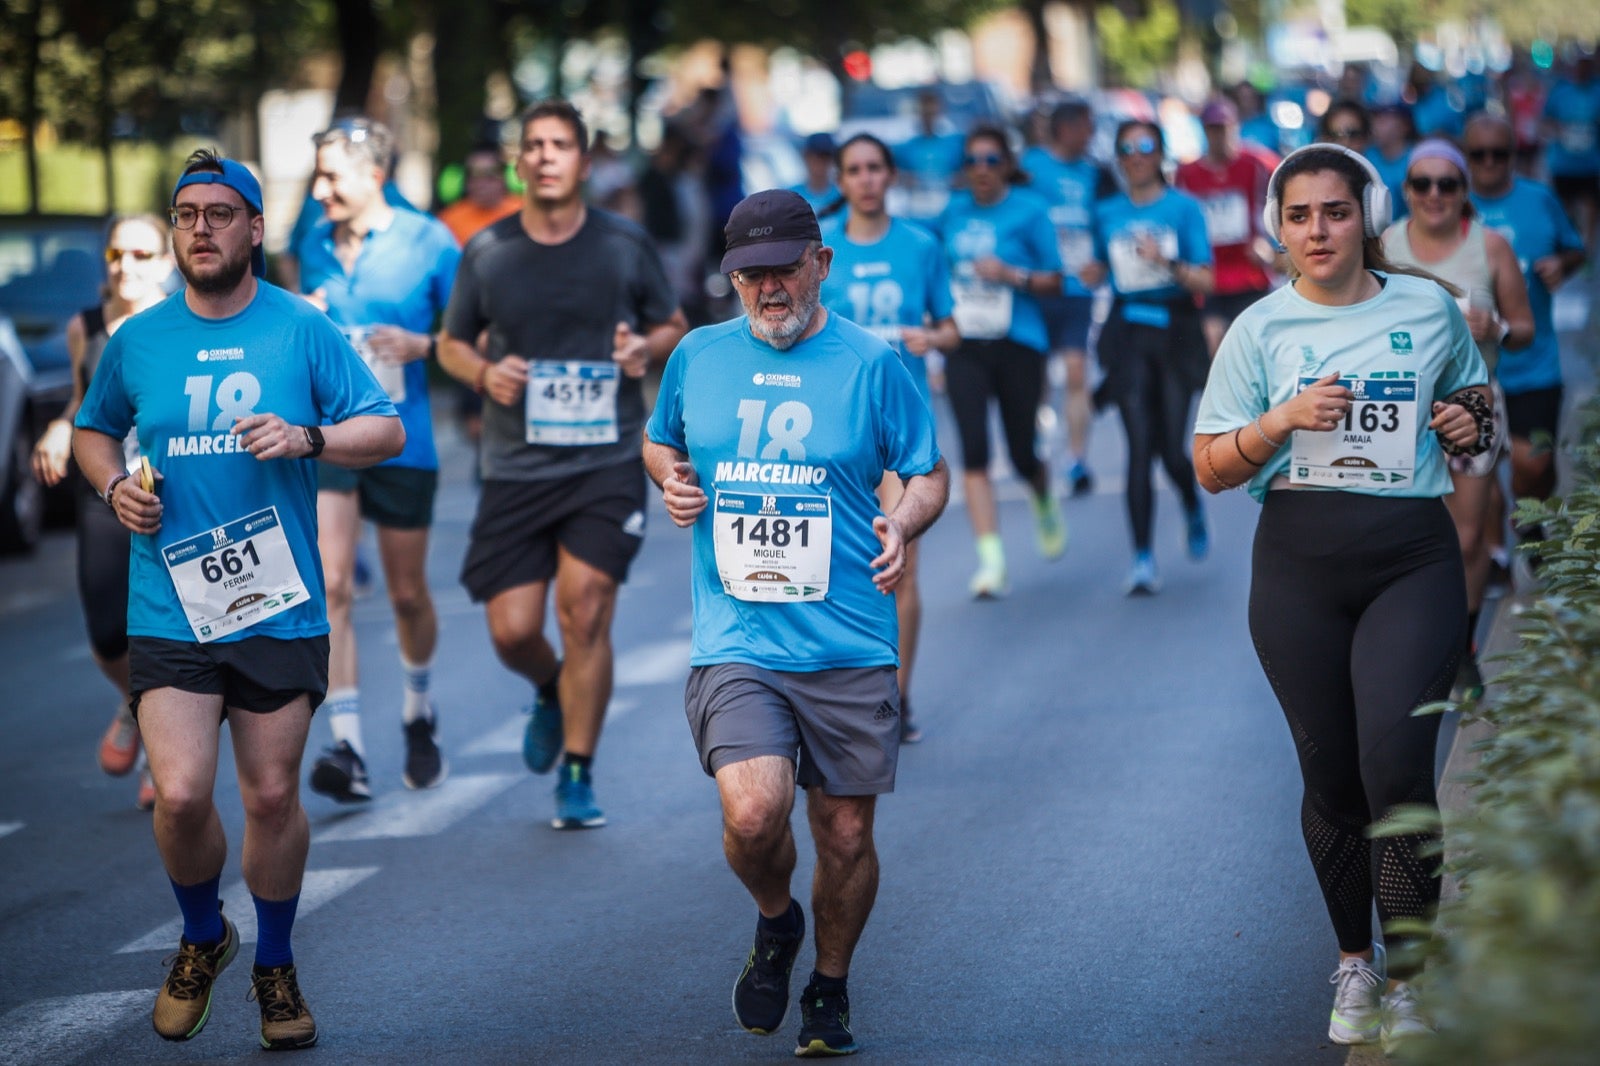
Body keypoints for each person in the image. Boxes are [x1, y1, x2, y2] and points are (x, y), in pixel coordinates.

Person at [72, 150, 403, 1049]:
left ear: (255, 228)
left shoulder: (302, 328)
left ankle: (277, 962)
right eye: (187, 214)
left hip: (275, 602)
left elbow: (386, 426)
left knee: (266, 796)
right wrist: (112, 492)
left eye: (221, 213)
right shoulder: (138, 339)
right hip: (170, 602)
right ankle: (204, 935)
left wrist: (308, 436)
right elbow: (92, 432)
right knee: (179, 796)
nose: (201, 228)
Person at [1193, 143, 1490, 1054]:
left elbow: (1477, 406)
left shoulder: (1429, 308)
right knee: (1332, 780)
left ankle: (1411, 978)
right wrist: (1279, 422)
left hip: (1411, 559)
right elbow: (1207, 467)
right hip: (1298, 569)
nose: (1317, 231)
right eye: (1297, 216)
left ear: (1367, 214)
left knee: (1397, 769)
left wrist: (1462, 418)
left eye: (1333, 211)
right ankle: (1354, 961)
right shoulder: (1260, 330)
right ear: (1277, 230)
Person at [642, 188, 950, 1058]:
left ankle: (830, 985)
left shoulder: (874, 362)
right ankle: (778, 920)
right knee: (753, 812)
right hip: (739, 636)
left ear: (822, 264)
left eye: (783, 271)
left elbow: (928, 472)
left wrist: (906, 519)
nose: (768, 290)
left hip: (850, 638)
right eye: (750, 276)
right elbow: (660, 440)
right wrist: (670, 477)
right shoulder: (698, 356)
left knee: (845, 831)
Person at [438, 99, 688, 829]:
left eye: (561, 145)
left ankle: (577, 770)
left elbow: (671, 322)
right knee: (513, 630)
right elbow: (450, 343)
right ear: (519, 163)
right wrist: (484, 375)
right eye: (534, 145)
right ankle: (550, 686)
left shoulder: (622, 243)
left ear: (584, 161)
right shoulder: (489, 251)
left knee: (585, 610)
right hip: (516, 464)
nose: (546, 156)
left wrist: (647, 349)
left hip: (605, 458)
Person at [297, 118, 462, 801]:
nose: (318, 189)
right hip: (331, 437)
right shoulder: (310, 243)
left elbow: (469, 338)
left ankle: (418, 709)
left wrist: (423, 346)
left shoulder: (431, 242)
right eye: (317, 175)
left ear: (373, 175)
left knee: (405, 594)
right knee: (332, 584)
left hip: (403, 436)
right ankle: (348, 746)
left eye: (330, 176)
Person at [818, 133, 959, 743]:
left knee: (898, 569)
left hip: (902, 436)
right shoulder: (819, 252)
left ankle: (896, 697)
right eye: (855, 169)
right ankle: (840, 687)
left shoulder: (921, 246)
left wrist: (934, 341)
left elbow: (951, 326)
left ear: (890, 176)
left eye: (876, 168)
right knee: (836, 568)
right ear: (841, 180)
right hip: (836, 435)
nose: (867, 178)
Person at [1381, 139, 1533, 699]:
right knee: (1405, 538)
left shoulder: (1490, 248)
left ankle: (1463, 651)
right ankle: (1413, 650)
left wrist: (1496, 330)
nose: (1435, 195)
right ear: (1407, 192)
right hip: (1397, 405)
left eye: (1448, 184)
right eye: (1423, 184)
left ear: (1464, 192)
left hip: (1472, 398)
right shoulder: (1383, 246)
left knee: (1466, 540)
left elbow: (1525, 329)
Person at [31, 213, 173, 810]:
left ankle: (165, 759)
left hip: (172, 488)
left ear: (166, 261)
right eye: (118, 254)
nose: (127, 266)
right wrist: (62, 427)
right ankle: (136, 704)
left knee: (166, 628)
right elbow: (82, 402)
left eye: (142, 255)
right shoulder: (84, 326)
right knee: (107, 632)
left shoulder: (180, 322)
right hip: (107, 485)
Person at [1082, 120, 1213, 595]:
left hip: (1175, 329)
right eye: (1126, 148)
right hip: (1129, 332)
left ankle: (1190, 502)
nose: (1135, 155)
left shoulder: (1184, 209)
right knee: (1139, 445)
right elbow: (1098, 271)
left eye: (1145, 147)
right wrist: (1091, 272)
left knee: (1170, 450)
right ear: (1117, 157)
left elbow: (1206, 280)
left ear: (1160, 155)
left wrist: (1166, 262)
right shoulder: (1105, 211)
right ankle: (1142, 557)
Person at [936, 125, 1066, 598]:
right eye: (974, 161)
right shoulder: (950, 213)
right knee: (973, 451)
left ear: (1007, 165)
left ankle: (1042, 494)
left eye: (992, 160)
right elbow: (935, 273)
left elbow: (1057, 280)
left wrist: (1010, 274)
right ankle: (991, 561)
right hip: (965, 345)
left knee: (1020, 451)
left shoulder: (1030, 212)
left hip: (1019, 341)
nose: (983, 170)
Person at [1464, 113, 1588, 510]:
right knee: (1479, 471)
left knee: (1535, 465)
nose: (1488, 163)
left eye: (1498, 154)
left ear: (1513, 155)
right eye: (1478, 154)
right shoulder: (1446, 203)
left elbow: (1576, 248)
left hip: (1534, 361)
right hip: (1472, 367)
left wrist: (1561, 265)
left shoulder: (1539, 198)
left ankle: (1529, 517)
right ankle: (1497, 557)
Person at [1022, 97, 1119, 496]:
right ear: (1065, 128)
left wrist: (1104, 265)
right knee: (1039, 377)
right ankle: (1041, 444)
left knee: (1077, 371)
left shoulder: (1097, 174)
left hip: (1076, 290)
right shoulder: (1029, 166)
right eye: (1086, 126)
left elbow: (1113, 227)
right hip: (1037, 287)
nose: (1092, 135)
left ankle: (1076, 458)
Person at [1177, 98, 1279, 361]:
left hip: (1250, 272)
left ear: (1235, 126)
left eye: (1224, 127)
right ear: (1203, 129)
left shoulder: (1258, 163)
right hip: (1210, 275)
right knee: (1216, 348)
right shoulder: (1187, 173)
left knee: (1253, 350)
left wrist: (1271, 242)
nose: (1219, 135)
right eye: (1212, 128)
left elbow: (1290, 193)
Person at [1541, 53, 1600, 252]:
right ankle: (1571, 244)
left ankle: (1587, 247)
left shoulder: (1597, 90)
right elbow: (1545, 120)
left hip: (1590, 163)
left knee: (1591, 205)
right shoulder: (1560, 91)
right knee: (1566, 207)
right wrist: (1561, 132)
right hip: (1563, 163)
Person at [894, 89, 967, 228]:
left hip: (949, 211)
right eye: (924, 113)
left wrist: (959, 180)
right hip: (917, 212)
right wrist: (905, 179)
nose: (928, 118)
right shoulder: (906, 147)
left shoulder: (955, 143)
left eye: (932, 113)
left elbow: (967, 173)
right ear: (918, 113)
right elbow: (895, 178)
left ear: (939, 112)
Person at [437, 142, 522, 247]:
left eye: (491, 174)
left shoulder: (524, 213)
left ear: (504, 177)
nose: (482, 183)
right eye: (475, 174)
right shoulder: (448, 221)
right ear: (466, 181)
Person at [1365, 103, 1416, 222]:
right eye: (1374, 117)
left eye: (1383, 119)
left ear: (1404, 125)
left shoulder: (1417, 160)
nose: (1376, 124)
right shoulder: (1367, 156)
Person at [789, 132, 840, 215]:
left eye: (825, 156)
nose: (820, 161)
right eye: (815, 156)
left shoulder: (842, 196)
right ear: (805, 156)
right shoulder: (790, 196)